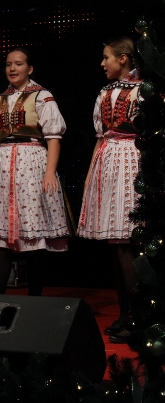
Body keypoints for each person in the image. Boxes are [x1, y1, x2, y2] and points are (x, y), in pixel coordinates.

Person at [0, 47, 69, 296]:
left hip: (32, 164)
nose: (12, 69)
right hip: (2, 167)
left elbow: (53, 138)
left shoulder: (42, 96)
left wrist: (50, 172)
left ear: (30, 68)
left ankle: (34, 300)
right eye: (8, 64)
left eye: (19, 64)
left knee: (33, 236)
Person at [77, 36, 142, 342]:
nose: (103, 63)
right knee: (115, 244)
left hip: (130, 158)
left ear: (123, 58)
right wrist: (91, 174)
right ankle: (125, 312)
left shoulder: (142, 90)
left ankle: (138, 316)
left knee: (126, 241)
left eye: (107, 58)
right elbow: (101, 136)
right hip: (107, 160)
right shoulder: (104, 92)